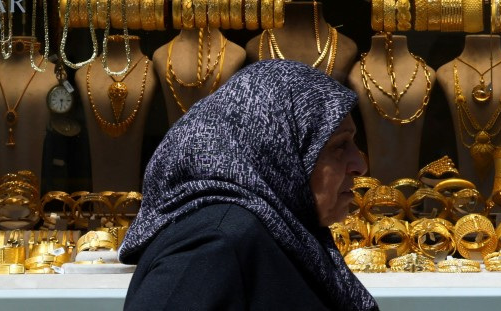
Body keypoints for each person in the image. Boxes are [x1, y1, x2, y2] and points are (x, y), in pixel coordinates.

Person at [119, 60, 378, 311]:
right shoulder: (217, 242)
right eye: (339, 146)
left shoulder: (282, 232)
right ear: (278, 152)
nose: (359, 165)